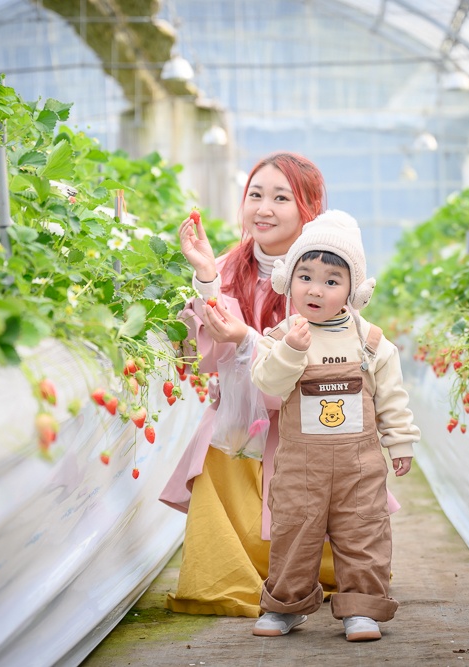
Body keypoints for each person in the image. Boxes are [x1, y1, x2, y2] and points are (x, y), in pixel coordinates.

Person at [160, 153, 379, 617]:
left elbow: (330, 354)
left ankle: (306, 574)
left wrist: (248, 339)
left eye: (282, 197)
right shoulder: (223, 267)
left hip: (309, 424)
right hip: (243, 423)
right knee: (222, 450)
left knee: (322, 508)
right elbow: (207, 351)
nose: (264, 208)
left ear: (308, 210)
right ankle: (243, 572)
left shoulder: (324, 275)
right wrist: (204, 277)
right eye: (255, 195)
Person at [248, 210, 419, 642]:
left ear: (353, 290)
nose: (315, 289)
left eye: (331, 281)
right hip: (300, 466)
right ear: (288, 281)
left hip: (358, 467)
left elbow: (392, 398)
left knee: (364, 531)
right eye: (305, 276)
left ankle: (362, 608)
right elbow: (268, 383)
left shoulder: (370, 341)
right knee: (294, 532)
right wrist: (289, 349)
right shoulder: (284, 335)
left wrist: (400, 443)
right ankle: (286, 606)